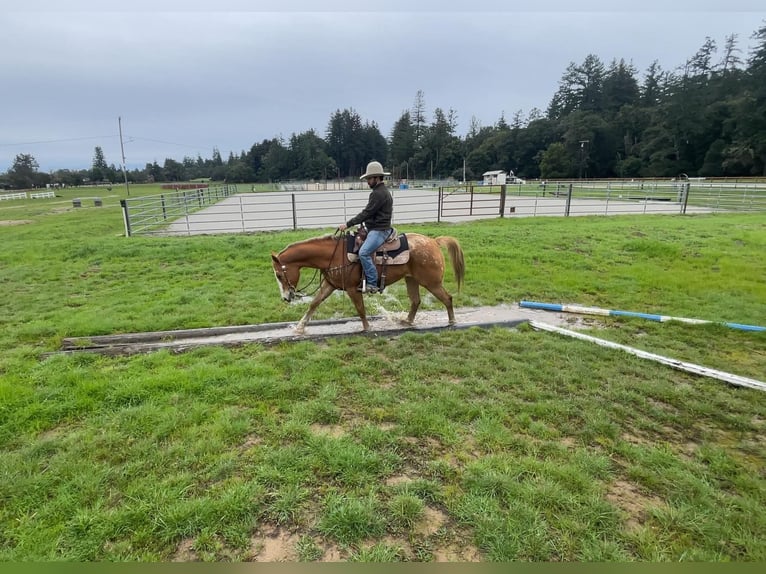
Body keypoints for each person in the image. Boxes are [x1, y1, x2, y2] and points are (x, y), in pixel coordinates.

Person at [338, 160, 393, 294]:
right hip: (377, 227)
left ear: (376, 178)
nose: (368, 181)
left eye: (369, 179)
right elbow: (370, 213)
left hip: (380, 230)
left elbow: (367, 213)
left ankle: (372, 283)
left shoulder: (378, 193)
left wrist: (348, 224)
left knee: (363, 252)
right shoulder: (382, 191)